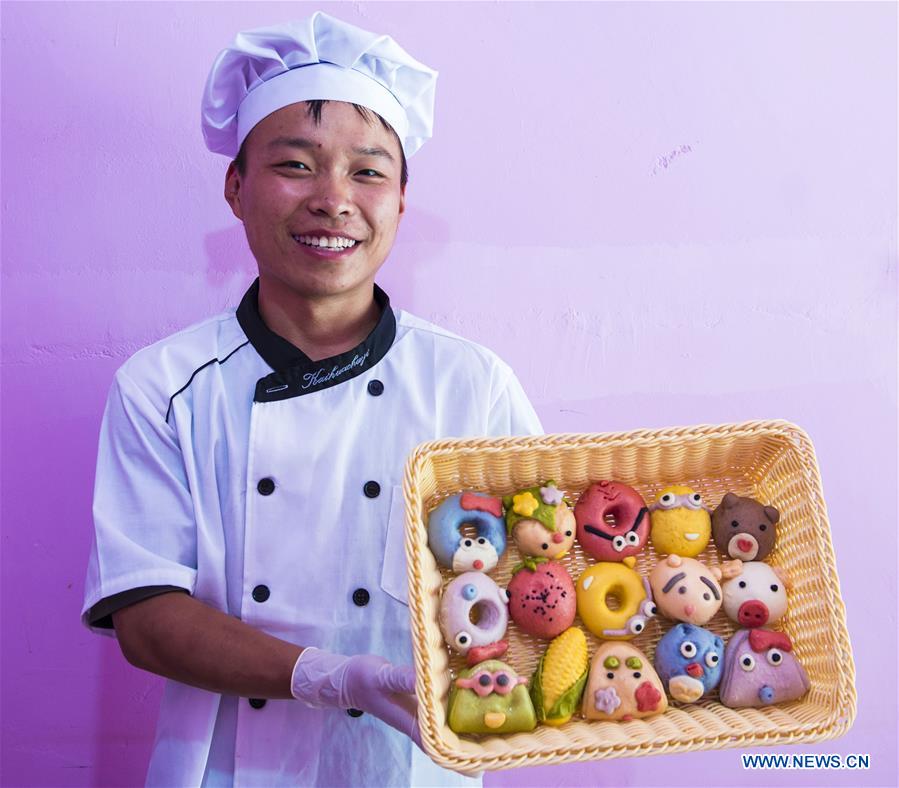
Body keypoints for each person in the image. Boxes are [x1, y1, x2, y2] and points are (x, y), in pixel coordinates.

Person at [81, 11, 543, 787]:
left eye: (367, 172)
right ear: (236, 187)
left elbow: (542, 573)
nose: (333, 199)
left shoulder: (471, 384)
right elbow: (148, 620)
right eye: (295, 165)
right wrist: (332, 677)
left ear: (401, 199)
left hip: (407, 769)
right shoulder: (163, 386)